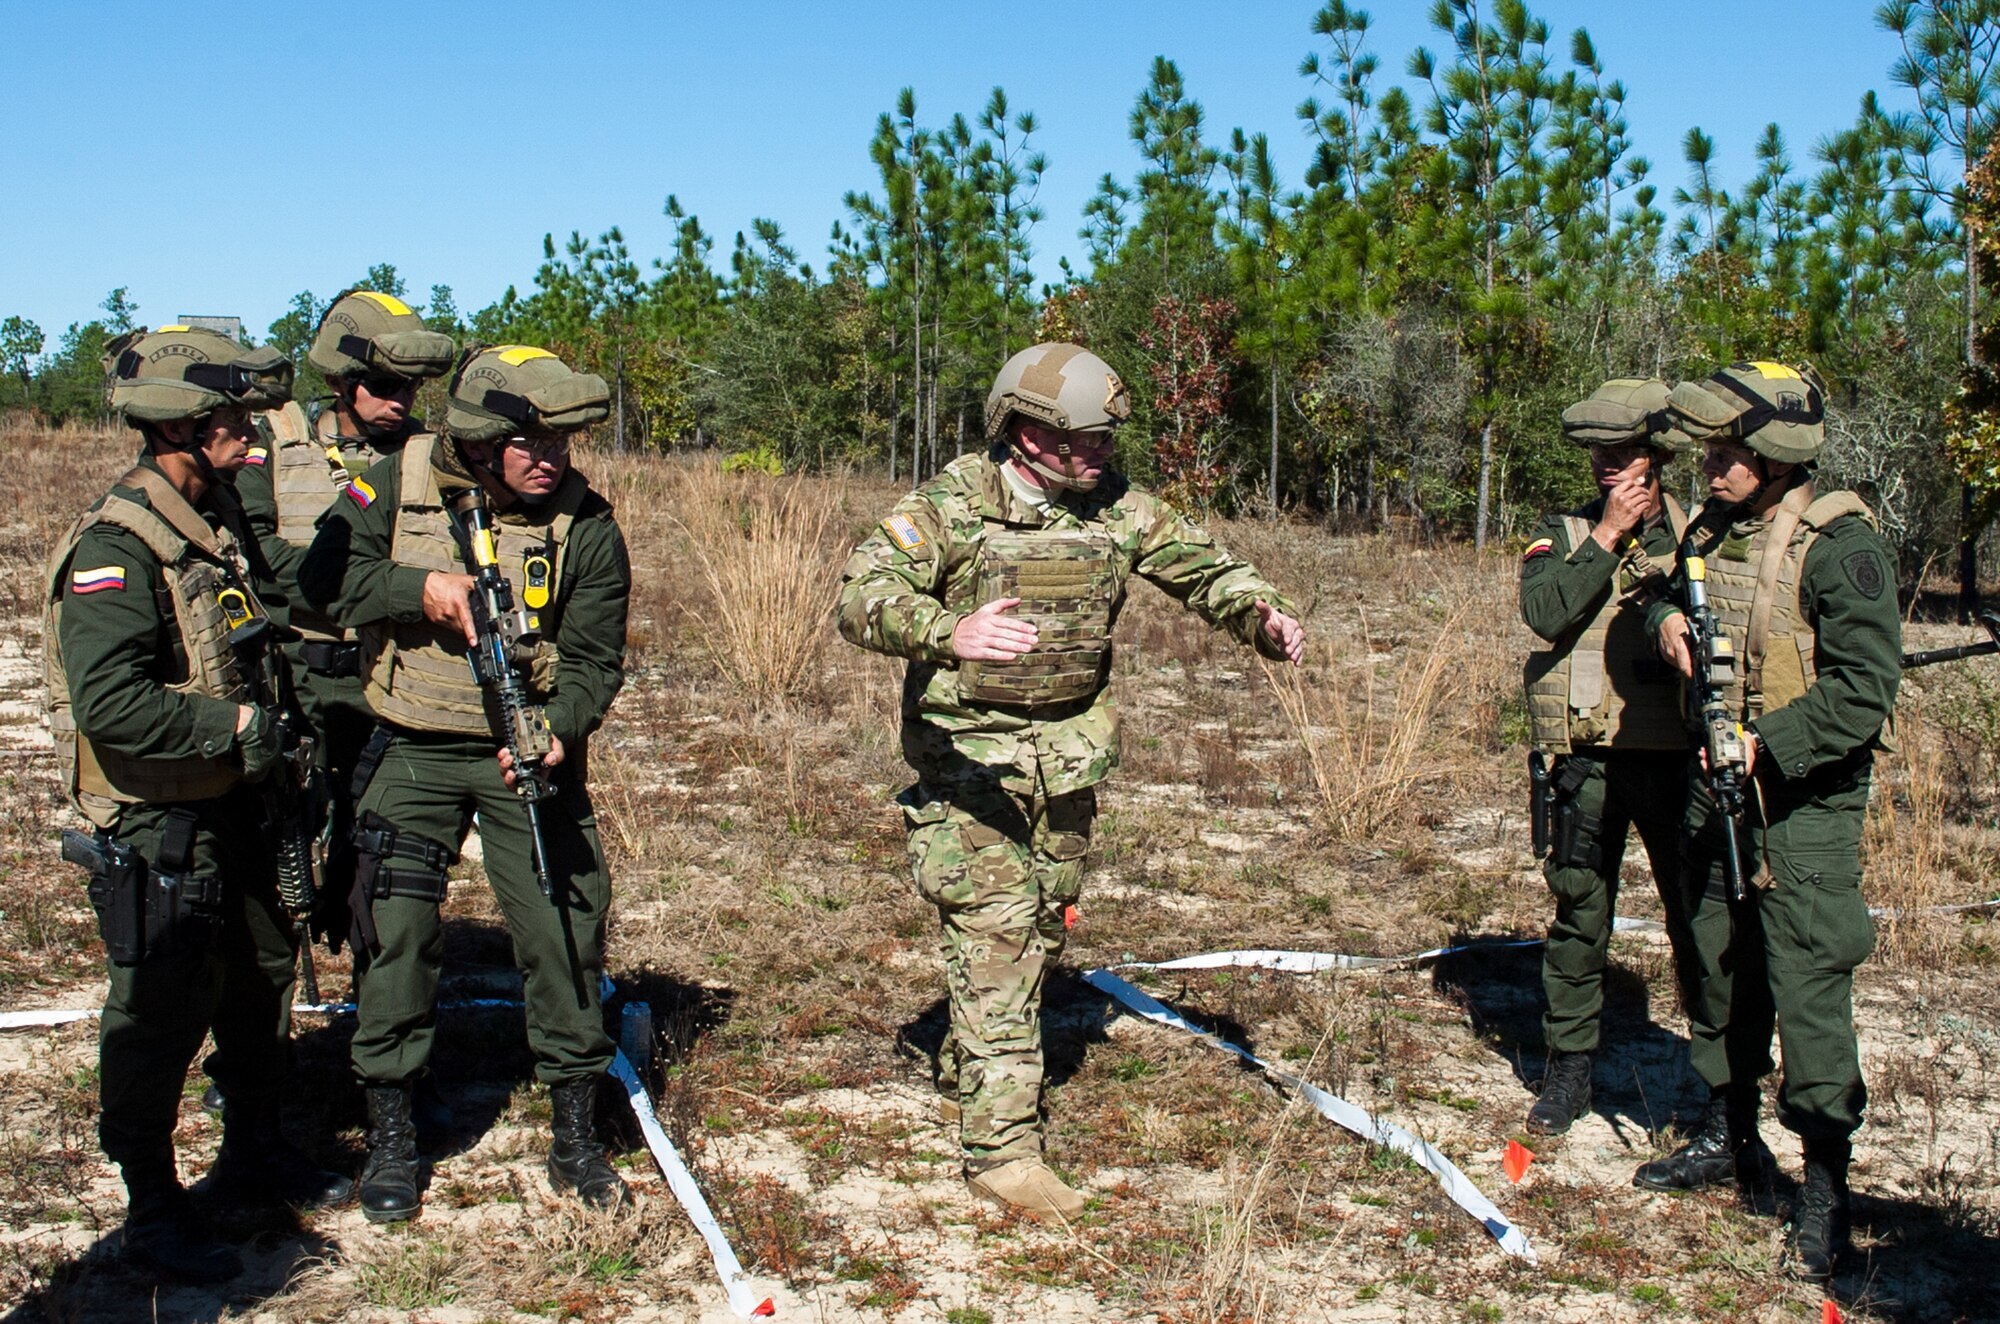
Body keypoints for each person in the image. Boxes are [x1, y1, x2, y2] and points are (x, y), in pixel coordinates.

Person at [835, 341, 1305, 1222]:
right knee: (1001, 935)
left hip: (1068, 764)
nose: (1102, 454)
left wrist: (1262, 615)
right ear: (1026, 433)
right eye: (1086, 439)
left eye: (1107, 439)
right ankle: (1003, 1154)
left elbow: (1202, 566)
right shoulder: (949, 509)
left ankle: (973, 1059)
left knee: (1042, 928)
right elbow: (861, 597)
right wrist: (946, 631)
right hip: (970, 768)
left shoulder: (1114, 509)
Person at [298, 343, 631, 1223]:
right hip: (409, 744)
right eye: (530, 442)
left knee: (562, 928)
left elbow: (597, 660)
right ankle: (395, 1136)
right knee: (395, 934)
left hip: (522, 753)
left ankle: (575, 1135)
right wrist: (422, 589)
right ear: (480, 439)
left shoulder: (584, 523)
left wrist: (558, 732)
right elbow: (321, 581)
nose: (549, 459)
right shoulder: (391, 481)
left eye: (563, 442)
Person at [45, 327, 351, 1283]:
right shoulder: (116, 547)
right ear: (184, 424)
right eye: (233, 420)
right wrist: (238, 732)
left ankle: (251, 1154)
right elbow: (111, 704)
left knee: (260, 978)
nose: (250, 437)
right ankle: (149, 1205)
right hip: (158, 820)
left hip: (238, 806)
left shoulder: (210, 517)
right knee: (157, 1014)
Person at [1637, 361, 1899, 1282]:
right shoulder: (1716, 526)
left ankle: (1824, 1186)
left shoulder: (1842, 548)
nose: (1712, 464)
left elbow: (1865, 692)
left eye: (1730, 450)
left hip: (1804, 804)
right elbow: (1666, 588)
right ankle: (1728, 1130)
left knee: (1808, 984)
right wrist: (1668, 623)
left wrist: (1765, 742)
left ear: (1778, 454)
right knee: (1716, 959)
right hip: (1719, 788)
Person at [1518, 378, 1700, 1136]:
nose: (1604, 468)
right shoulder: (1562, 534)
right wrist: (1605, 537)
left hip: (1677, 760)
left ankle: (1721, 1087)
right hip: (1590, 761)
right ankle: (1568, 1072)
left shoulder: (1701, 538)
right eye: (1598, 454)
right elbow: (1545, 612)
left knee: (1701, 922)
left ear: (1657, 459)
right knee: (1580, 917)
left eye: (1621, 454)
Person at [240, 289, 454, 868]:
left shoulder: (424, 456)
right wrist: (345, 585)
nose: (400, 400)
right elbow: (255, 552)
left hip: (388, 672)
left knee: (383, 853)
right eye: (384, 386)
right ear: (340, 382)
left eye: (410, 387)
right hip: (301, 674)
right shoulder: (276, 441)